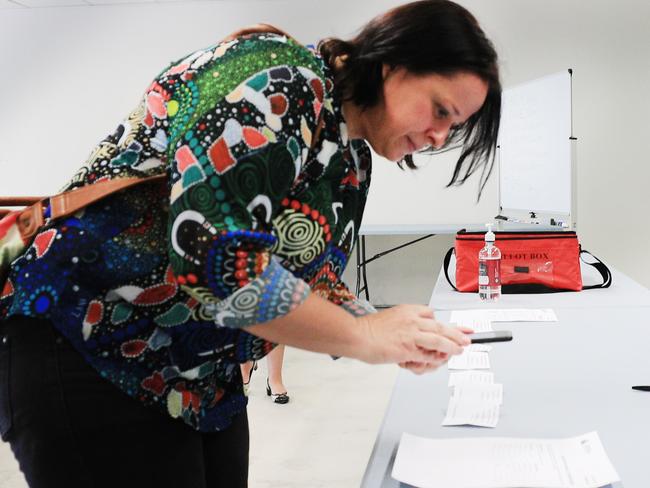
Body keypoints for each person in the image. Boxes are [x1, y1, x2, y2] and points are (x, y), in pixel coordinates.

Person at [0, 0, 500, 486]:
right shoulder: (283, 81)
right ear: (394, 61)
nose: (439, 137)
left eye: (453, 127)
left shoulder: (349, 151)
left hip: (195, 373)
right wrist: (364, 338)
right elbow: (212, 258)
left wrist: (378, 323)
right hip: (90, 341)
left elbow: (306, 275)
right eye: (440, 110)